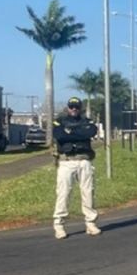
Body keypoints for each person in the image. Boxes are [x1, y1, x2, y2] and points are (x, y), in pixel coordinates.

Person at [52, 96, 100, 239]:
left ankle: (90, 223)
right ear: (68, 107)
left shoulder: (88, 121)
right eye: (71, 106)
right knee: (64, 193)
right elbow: (59, 136)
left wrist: (70, 133)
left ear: (80, 108)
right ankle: (59, 224)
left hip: (84, 161)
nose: (74, 109)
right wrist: (79, 134)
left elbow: (90, 132)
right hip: (66, 162)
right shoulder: (59, 121)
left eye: (76, 107)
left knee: (88, 192)